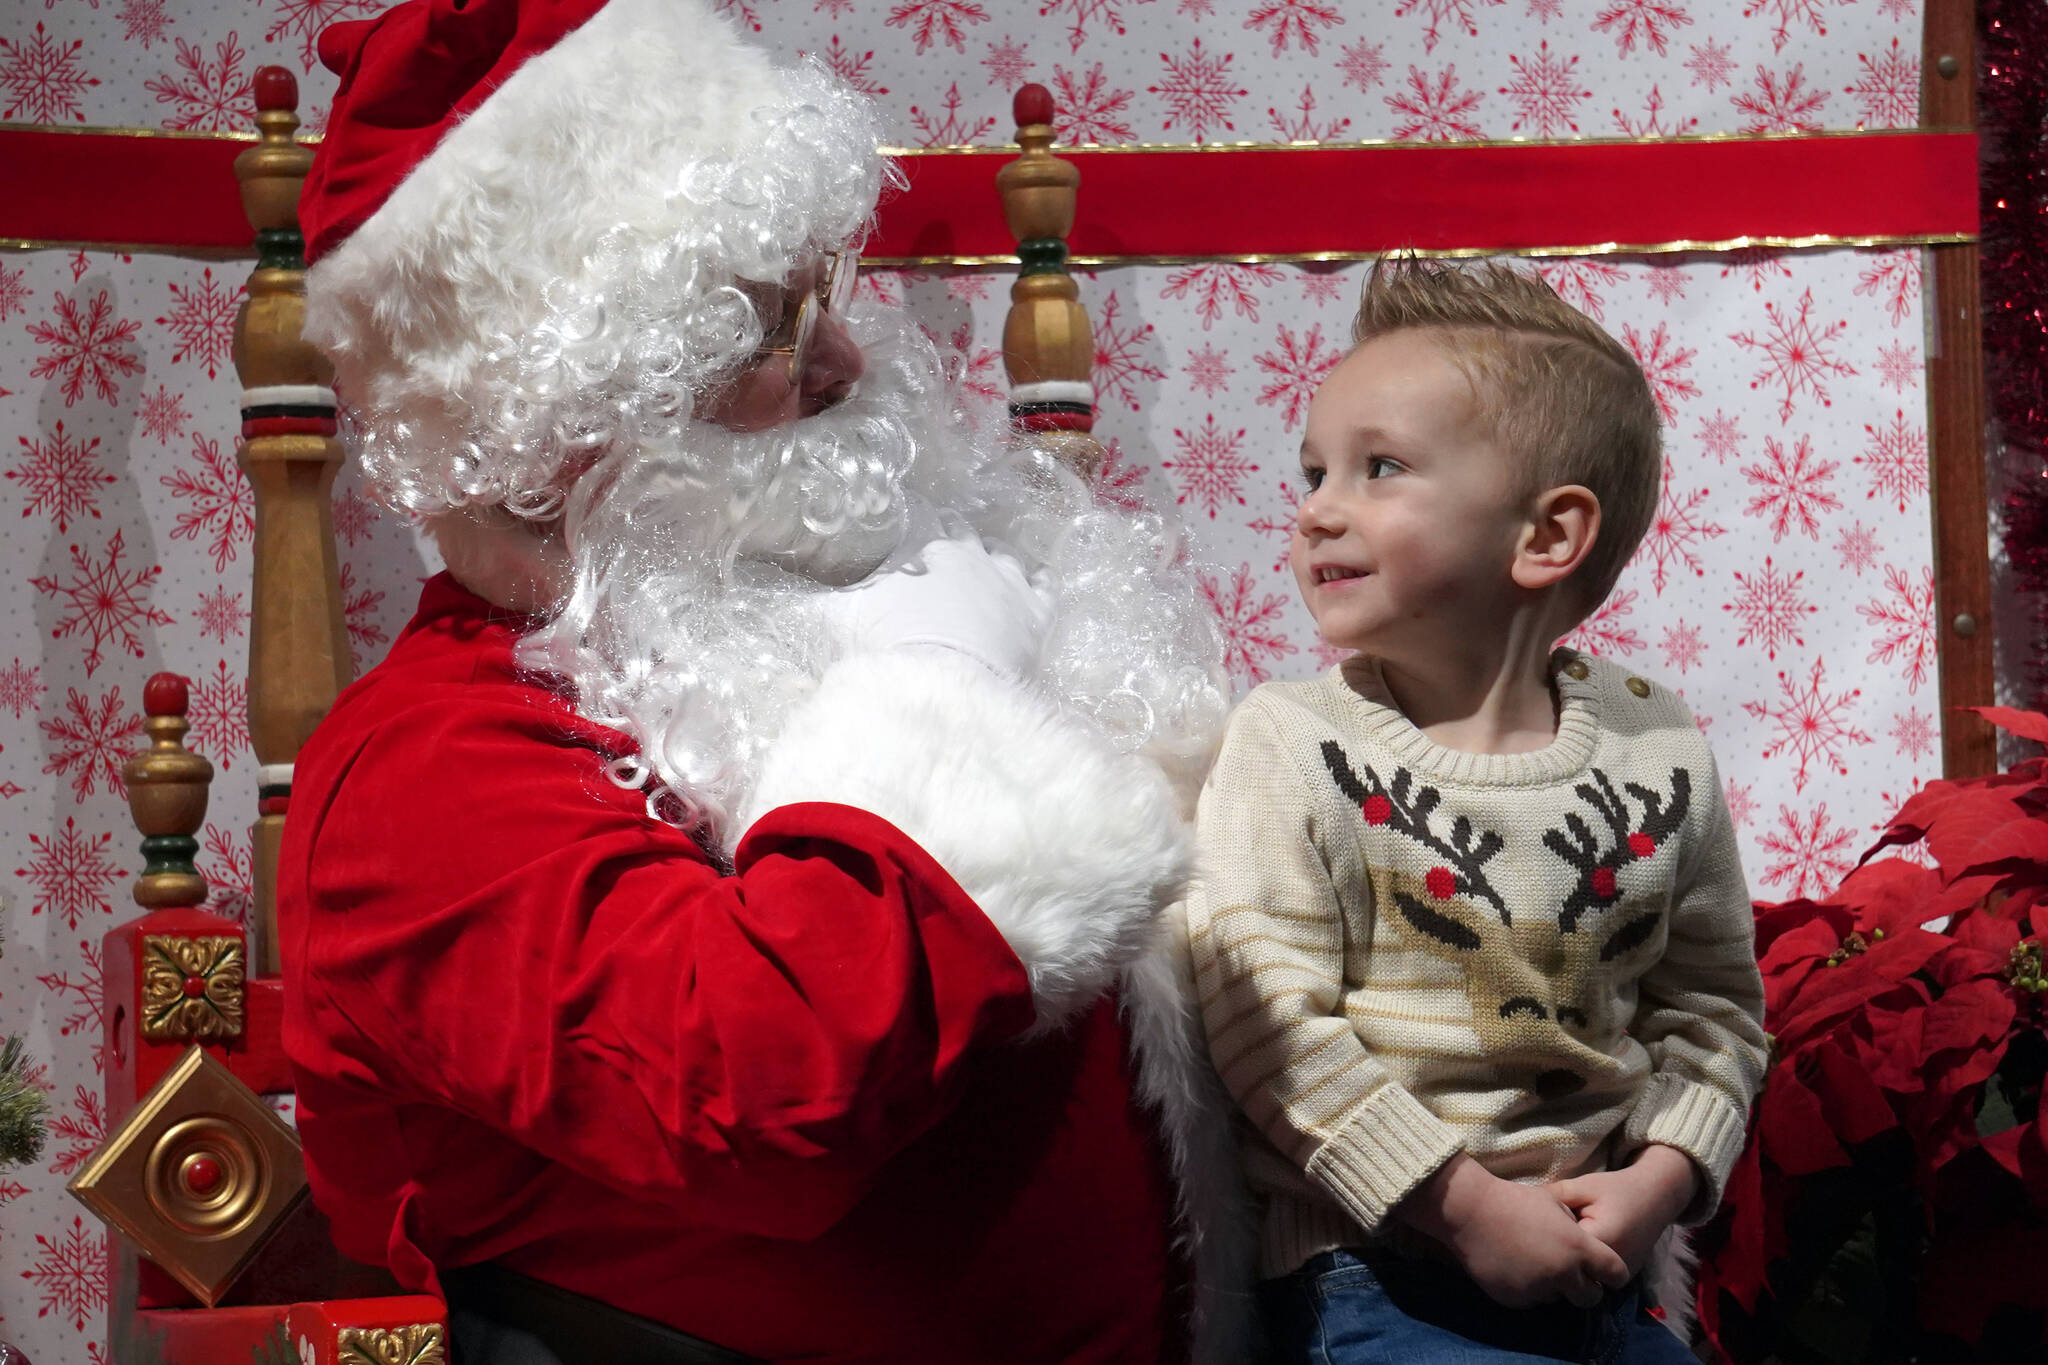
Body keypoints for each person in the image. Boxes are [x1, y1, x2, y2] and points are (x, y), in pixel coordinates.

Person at [276, 0, 1252, 1360]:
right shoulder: (426, 772)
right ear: (556, 431)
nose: (846, 363)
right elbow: (764, 1098)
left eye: (824, 297)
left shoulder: (779, 619)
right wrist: (934, 690)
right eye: (765, 334)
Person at [1183, 258, 1769, 1365]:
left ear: (1546, 537)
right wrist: (1455, 1205)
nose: (1315, 509)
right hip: (1374, 1271)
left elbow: (1712, 1010)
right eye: (1313, 471)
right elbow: (1261, 1017)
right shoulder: (1293, 743)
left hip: (1599, 1267)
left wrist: (1660, 1178)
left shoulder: (1658, 748)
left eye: (1379, 468)